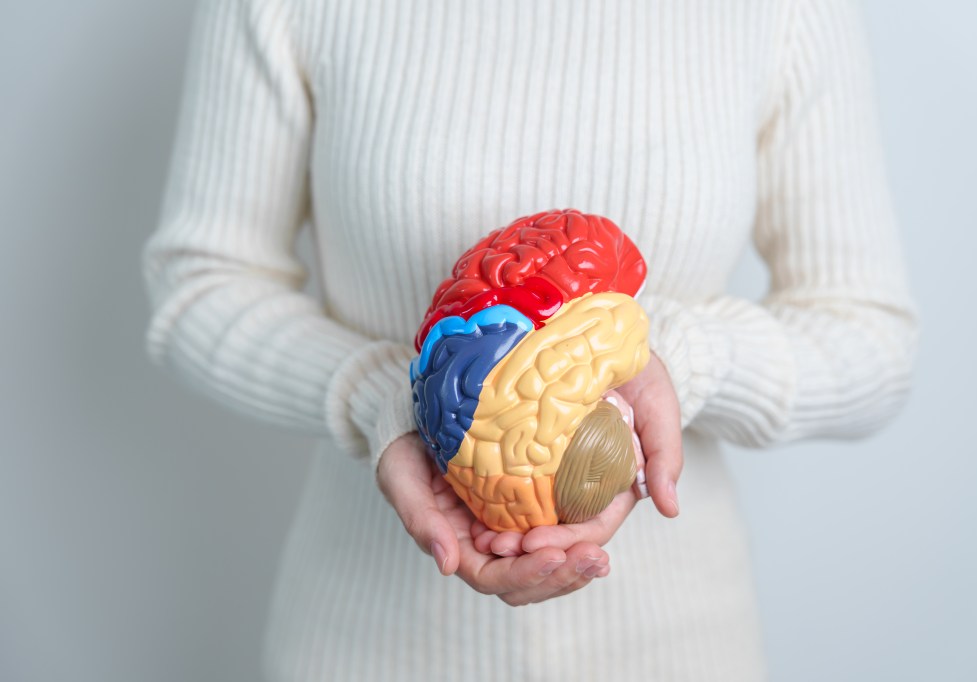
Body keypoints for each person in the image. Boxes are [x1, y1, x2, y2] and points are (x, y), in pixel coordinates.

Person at [143, 0, 917, 679]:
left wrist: (670, 359)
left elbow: (869, 337)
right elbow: (202, 285)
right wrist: (384, 398)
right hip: (364, 646)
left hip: (677, 649)